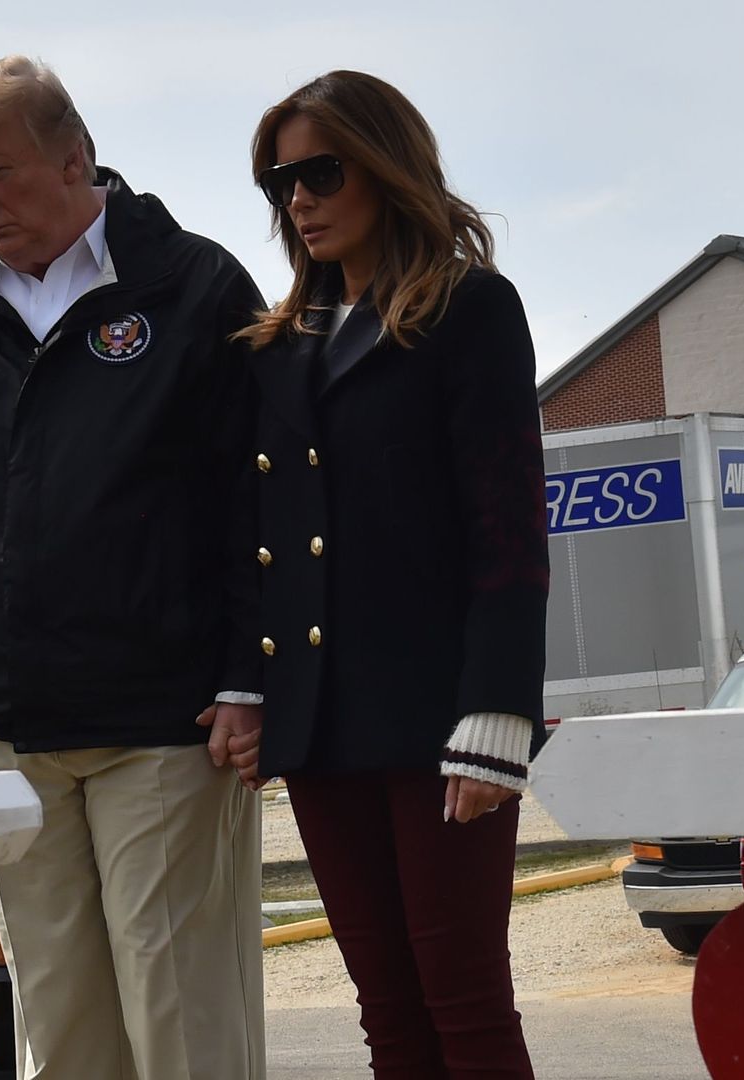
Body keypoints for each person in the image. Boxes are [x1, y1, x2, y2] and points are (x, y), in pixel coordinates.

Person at [0, 55, 266, 1080]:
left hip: (169, 727)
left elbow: (262, 502)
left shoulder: (194, 286)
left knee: (184, 1021)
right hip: (5, 732)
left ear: (75, 155)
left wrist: (249, 674)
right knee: (58, 1026)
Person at [230, 70, 549, 1078]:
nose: (300, 200)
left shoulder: (470, 310)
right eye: (280, 180)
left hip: (440, 721)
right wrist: (247, 685)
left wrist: (500, 709)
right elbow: (259, 538)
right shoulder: (279, 351)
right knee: (388, 1015)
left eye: (322, 171)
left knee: (466, 1008)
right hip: (322, 726)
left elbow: (506, 523)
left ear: (385, 166)